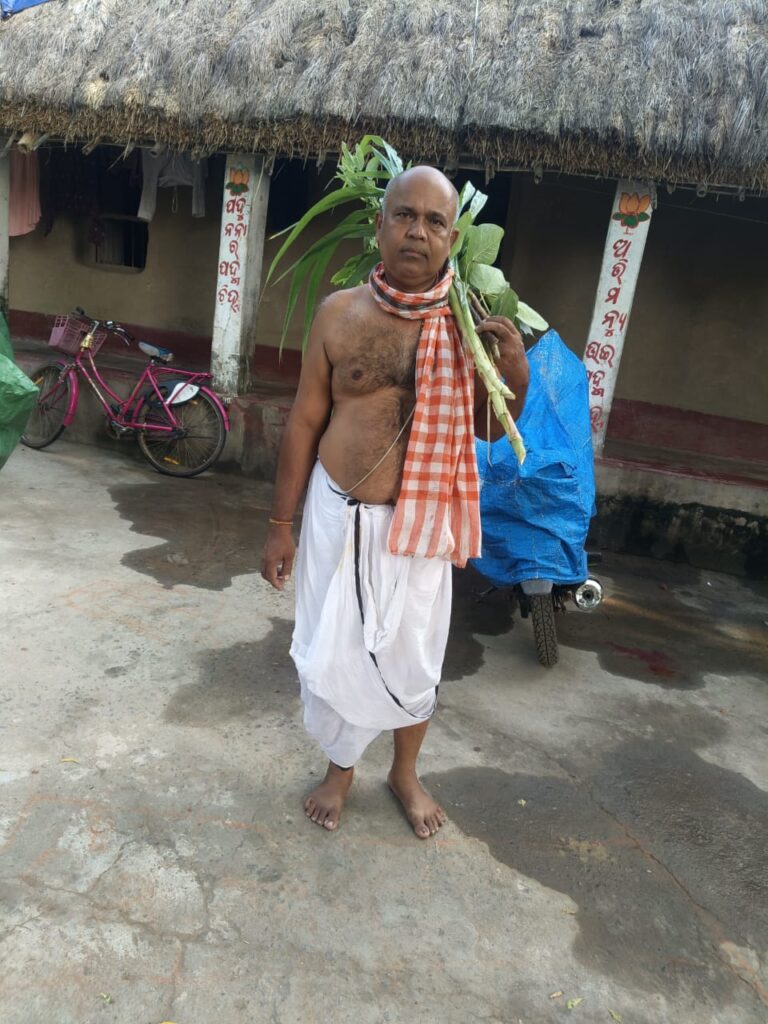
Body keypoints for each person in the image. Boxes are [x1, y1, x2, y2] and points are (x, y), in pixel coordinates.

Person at [261, 166, 528, 838]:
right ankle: (340, 769)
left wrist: (516, 374)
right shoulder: (339, 314)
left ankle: (404, 773)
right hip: (337, 518)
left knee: (415, 657)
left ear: (453, 238)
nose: (417, 231)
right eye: (404, 215)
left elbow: (490, 429)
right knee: (336, 649)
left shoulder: (465, 327)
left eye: (435, 221)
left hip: (422, 527)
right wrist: (280, 524)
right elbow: (304, 422)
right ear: (379, 226)